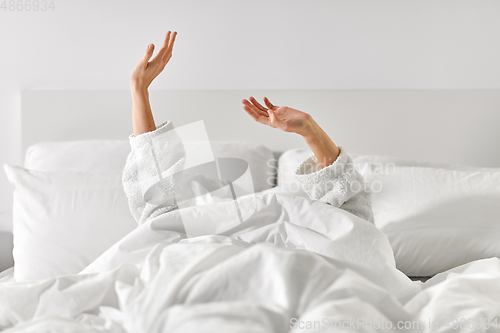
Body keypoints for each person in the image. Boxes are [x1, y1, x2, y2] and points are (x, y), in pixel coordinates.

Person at [123, 31, 373, 226]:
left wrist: (310, 129)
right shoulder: (196, 243)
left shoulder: (301, 230)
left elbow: (355, 227)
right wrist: (139, 91)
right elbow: (161, 217)